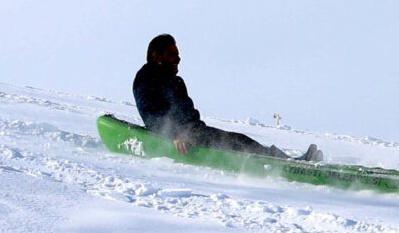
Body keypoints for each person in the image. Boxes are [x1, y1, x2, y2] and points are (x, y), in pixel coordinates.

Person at [133, 34, 322, 161]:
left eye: (178, 54)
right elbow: (150, 112)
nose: (178, 59)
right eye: (172, 54)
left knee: (239, 139)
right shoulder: (146, 78)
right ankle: (286, 166)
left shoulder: (175, 81)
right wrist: (174, 135)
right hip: (182, 137)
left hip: (195, 132)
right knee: (236, 143)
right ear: (157, 56)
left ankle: (287, 163)